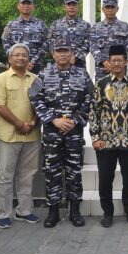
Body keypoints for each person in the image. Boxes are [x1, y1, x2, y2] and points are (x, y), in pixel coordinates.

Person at [30, 36, 94, 228]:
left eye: (66, 50)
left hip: (74, 132)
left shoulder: (82, 75)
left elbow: (90, 99)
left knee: (74, 171)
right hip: (52, 133)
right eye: (59, 51)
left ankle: (74, 211)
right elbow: (35, 99)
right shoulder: (43, 75)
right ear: (53, 54)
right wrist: (53, 119)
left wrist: (75, 120)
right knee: (52, 172)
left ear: (72, 53)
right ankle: (53, 212)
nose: (63, 54)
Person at [89, 44, 128, 227]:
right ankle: (107, 213)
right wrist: (95, 138)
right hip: (105, 141)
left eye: (120, 60)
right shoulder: (102, 84)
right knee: (105, 179)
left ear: (126, 62)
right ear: (109, 62)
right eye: (113, 60)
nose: (117, 63)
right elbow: (93, 112)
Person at [0, 43, 41, 229]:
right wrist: (19, 124)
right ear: (9, 59)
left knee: (28, 175)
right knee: (5, 176)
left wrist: (33, 123)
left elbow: (41, 105)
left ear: (29, 59)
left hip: (32, 135)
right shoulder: (0, 79)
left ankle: (24, 210)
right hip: (8, 136)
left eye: (24, 55)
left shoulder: (36, 79)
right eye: (17, 55)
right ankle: (4, 213)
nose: (21, 58)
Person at [1, 0, 49, 74]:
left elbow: (47, 43)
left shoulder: (41, 25)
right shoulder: (11, 25)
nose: (26, 6)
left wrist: (33, 61)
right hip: (15, 68)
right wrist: (15, 60)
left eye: (29, 3)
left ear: (33, 6)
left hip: (35, 67)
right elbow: (5, 41)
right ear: (18, 6)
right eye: (23, 3)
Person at [89, 0, 128, 81]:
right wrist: (104, 61)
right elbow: (92, 46)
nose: (110, 10)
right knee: (102, 93)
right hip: (102, 69)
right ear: (102, 9)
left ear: (117, 9)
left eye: (112, 7)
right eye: (107, 7)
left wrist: (116, 62)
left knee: (121, 92)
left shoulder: (125, 26)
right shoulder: (96, 27)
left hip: (119, 69)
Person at [48, 0, 91, 68]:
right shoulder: (56, 24)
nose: (71, 7)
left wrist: (76, 57)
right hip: (59, 64)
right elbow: (50, 41)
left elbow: (89, 43)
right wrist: (57, 56)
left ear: (78, 7)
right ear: (64, 7)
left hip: (79, 64)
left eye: (74, 4)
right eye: (69, 4)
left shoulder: (86, 25)